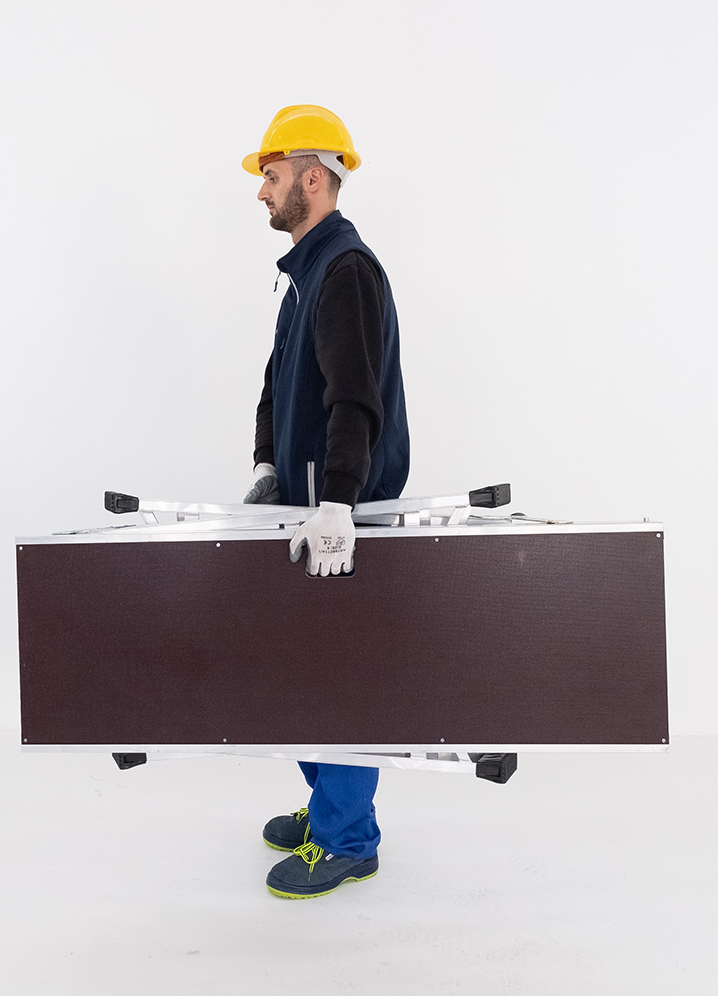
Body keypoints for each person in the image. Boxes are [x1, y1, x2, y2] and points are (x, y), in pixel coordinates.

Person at [242, 105, 410, 898]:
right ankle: (329, 812)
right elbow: (277, 382)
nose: (261, 192)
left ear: (314, 177)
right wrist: (266, 464)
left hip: (342, 516)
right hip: (303, 505)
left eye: (271, 176)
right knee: (302, 669)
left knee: (340, 675)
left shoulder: (346, 270)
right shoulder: (306, 275)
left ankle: (349, 841)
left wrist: (339, 502)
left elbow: (355, 397)